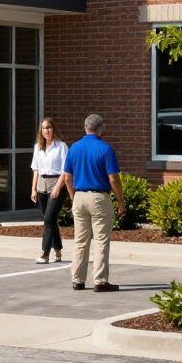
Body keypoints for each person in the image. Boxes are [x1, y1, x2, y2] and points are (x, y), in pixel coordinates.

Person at [61, 114, 126, 292]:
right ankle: (100, 280)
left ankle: (78, 279)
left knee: (80, 240)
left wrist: (74, 197)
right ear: (101, 128)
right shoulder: (105, 149)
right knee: (101, 240)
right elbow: (113, 178)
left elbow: (67, 178)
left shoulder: (74, 148)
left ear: (85, 127)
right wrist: (120, 200)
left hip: (79, 195)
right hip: (99, 196)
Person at [30, 118, 68, 264]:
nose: (46, 131)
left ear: (54, 129)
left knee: (48, 220)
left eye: (49, 128)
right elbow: (36, 170)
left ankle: (45, 253)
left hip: (56, 183)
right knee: (50, 219)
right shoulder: (37, 147)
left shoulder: (61, 146)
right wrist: (33, 189)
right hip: (41, 185)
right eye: (44, 128)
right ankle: (58, 252)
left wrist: (58, 187)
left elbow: (66, 170)